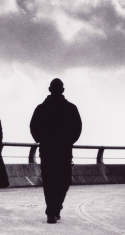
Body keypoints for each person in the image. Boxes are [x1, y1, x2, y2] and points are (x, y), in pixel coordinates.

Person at [30, 78, 82, 223]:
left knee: (49, 181)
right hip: (64, 151)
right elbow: (77, 128)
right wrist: (69, 141)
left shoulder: (41, 108)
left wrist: (40, 139)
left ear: (49, 89)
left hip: (47, 150)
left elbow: (33, 126)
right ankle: (55, 209)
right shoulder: (71, 108)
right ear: (63, 90)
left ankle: (52, 210)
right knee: (64, 180)